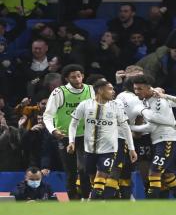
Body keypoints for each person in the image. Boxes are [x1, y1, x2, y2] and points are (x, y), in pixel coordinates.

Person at [67, 80, 136, 200]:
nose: (113, 92)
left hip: (109, 150)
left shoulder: (115, 106)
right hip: (89, 150)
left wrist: (131, 149)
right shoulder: (85, 105)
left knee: (100, 180)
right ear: (100, 90)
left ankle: (90, 206)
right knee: (95, 183)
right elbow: (73, 124)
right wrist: (71, 141)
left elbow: (125, 127)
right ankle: (99, 205)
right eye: (110, 89)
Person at [43, 64, 94, 199]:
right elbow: (47, 115)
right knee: (71, 171)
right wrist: (53, 130)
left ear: (83, 76)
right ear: (67, 78)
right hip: (64, 136)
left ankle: (85, 198)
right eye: (73, 77)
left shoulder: (90, 90)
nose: (77, 79)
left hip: (85, 135)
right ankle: (73, 201)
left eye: (79, 76)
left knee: (84, 169)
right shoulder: (59, 92)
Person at [130, 75, 176, 199]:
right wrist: (129, 128)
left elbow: (153, 121)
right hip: (160, 140)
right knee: (168, 174)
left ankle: (151, 205)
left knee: (154, 172)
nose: (137, 92)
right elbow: (151, 126)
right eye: (135, 89)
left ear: (149, 88)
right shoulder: (146, 100)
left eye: (140, 89)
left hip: (168, 139)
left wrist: (141, 111)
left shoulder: (159, 100)